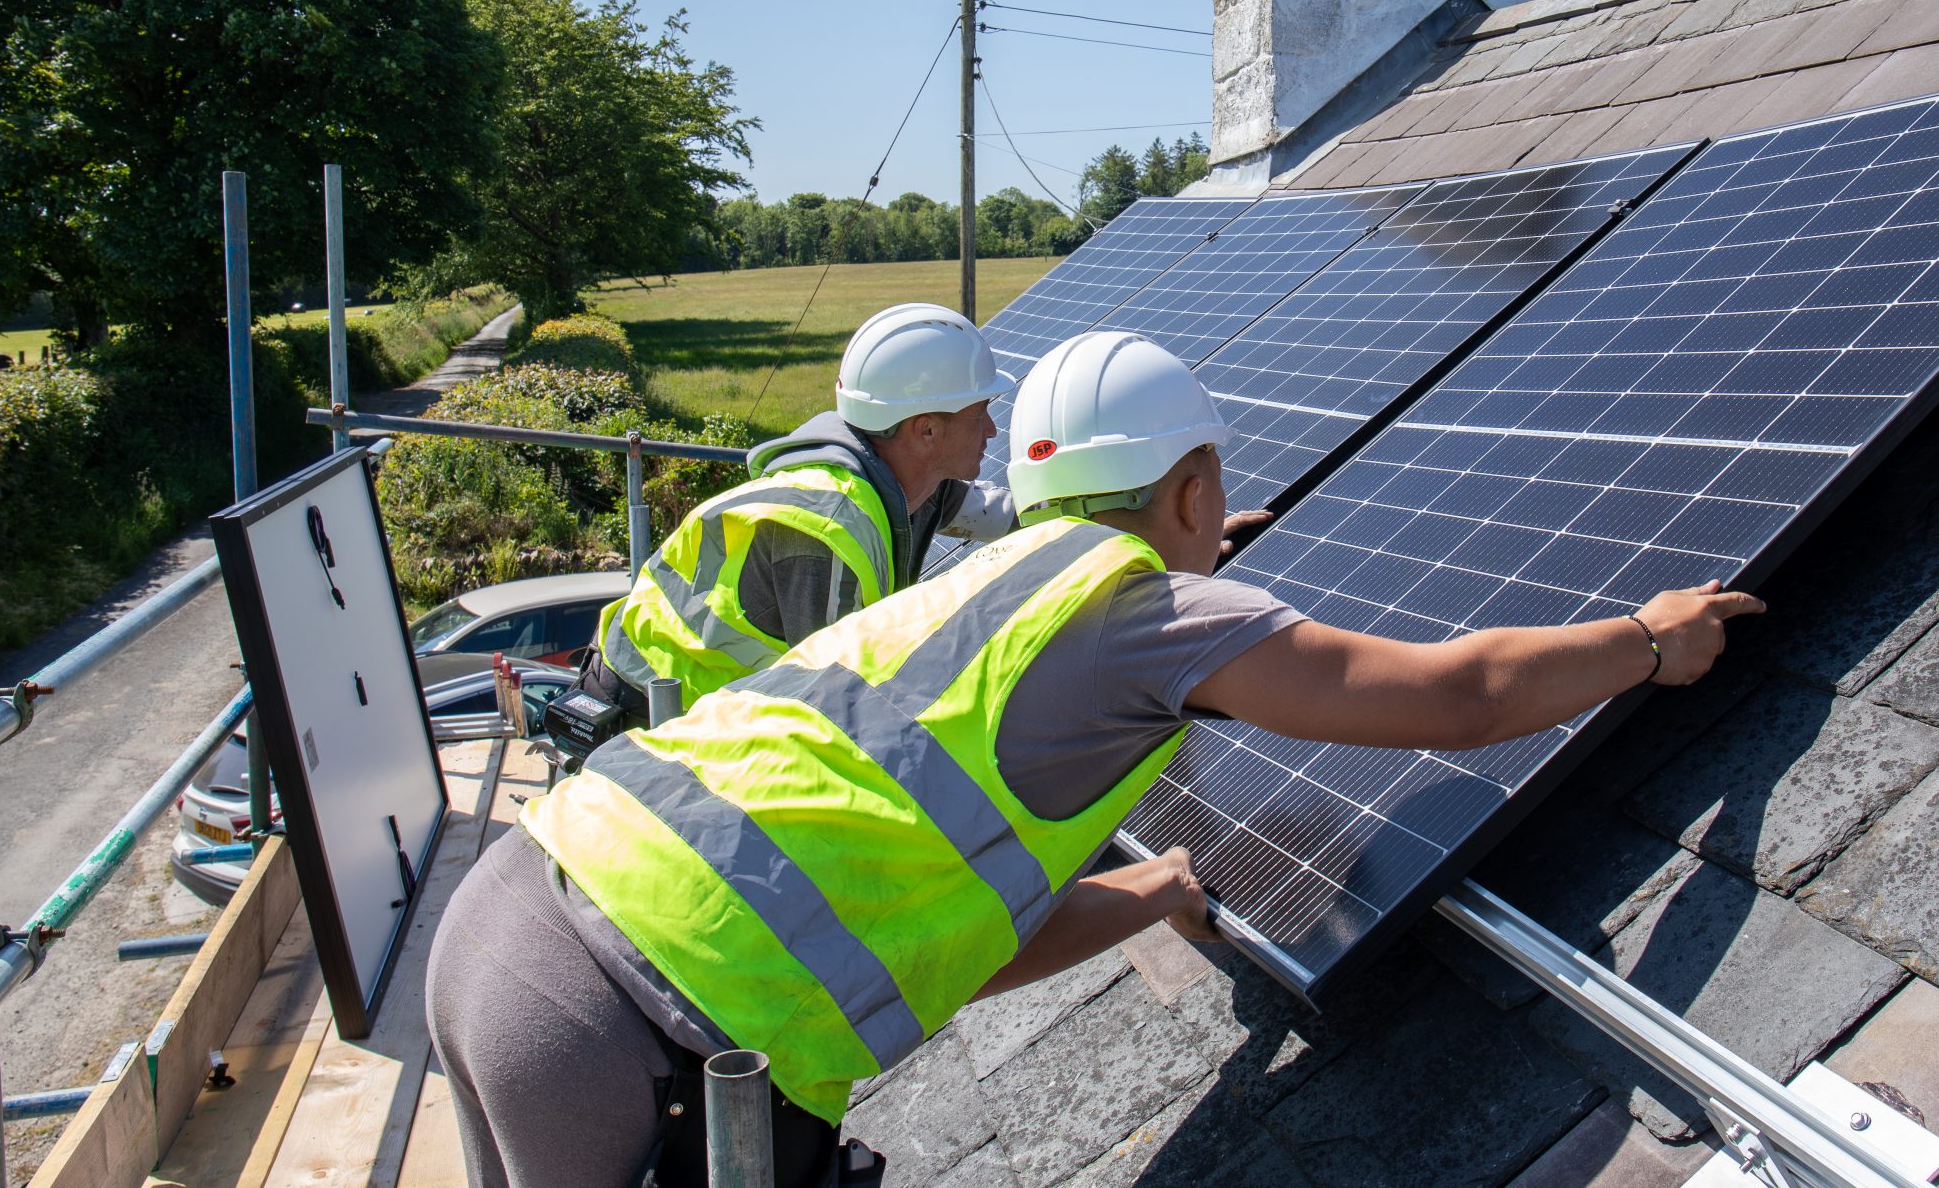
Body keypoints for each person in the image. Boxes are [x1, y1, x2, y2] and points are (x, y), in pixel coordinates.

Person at [425, 330, 1764, 1188]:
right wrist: (1647, 640)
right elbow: (1452, 695)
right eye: (1210, 499)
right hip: (636, 1022)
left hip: (513, 922)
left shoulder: (971, 592)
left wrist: (1145, 897)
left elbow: (936, 931)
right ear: (1193, 497)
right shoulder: (1148, 617)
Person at [583, 302, 1021, 717]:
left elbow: (1003, 516)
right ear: (925, 429)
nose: (991, 428)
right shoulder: (824, 533)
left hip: (701, 710)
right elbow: (837, 707)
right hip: (644, 711)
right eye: (979, 412)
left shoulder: (913, 484)